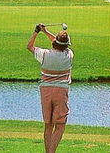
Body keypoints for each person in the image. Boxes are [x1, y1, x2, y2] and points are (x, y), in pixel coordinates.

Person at [27, 24, 74, 153]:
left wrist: (38, 31)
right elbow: (57, 43)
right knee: (60, 125)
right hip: (61, 91)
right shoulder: (69, 54)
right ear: (66, 45)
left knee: (48, 124)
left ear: (55, 43)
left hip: (45, 91)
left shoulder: (44, 54)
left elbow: (29, 46)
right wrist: (47, 32)